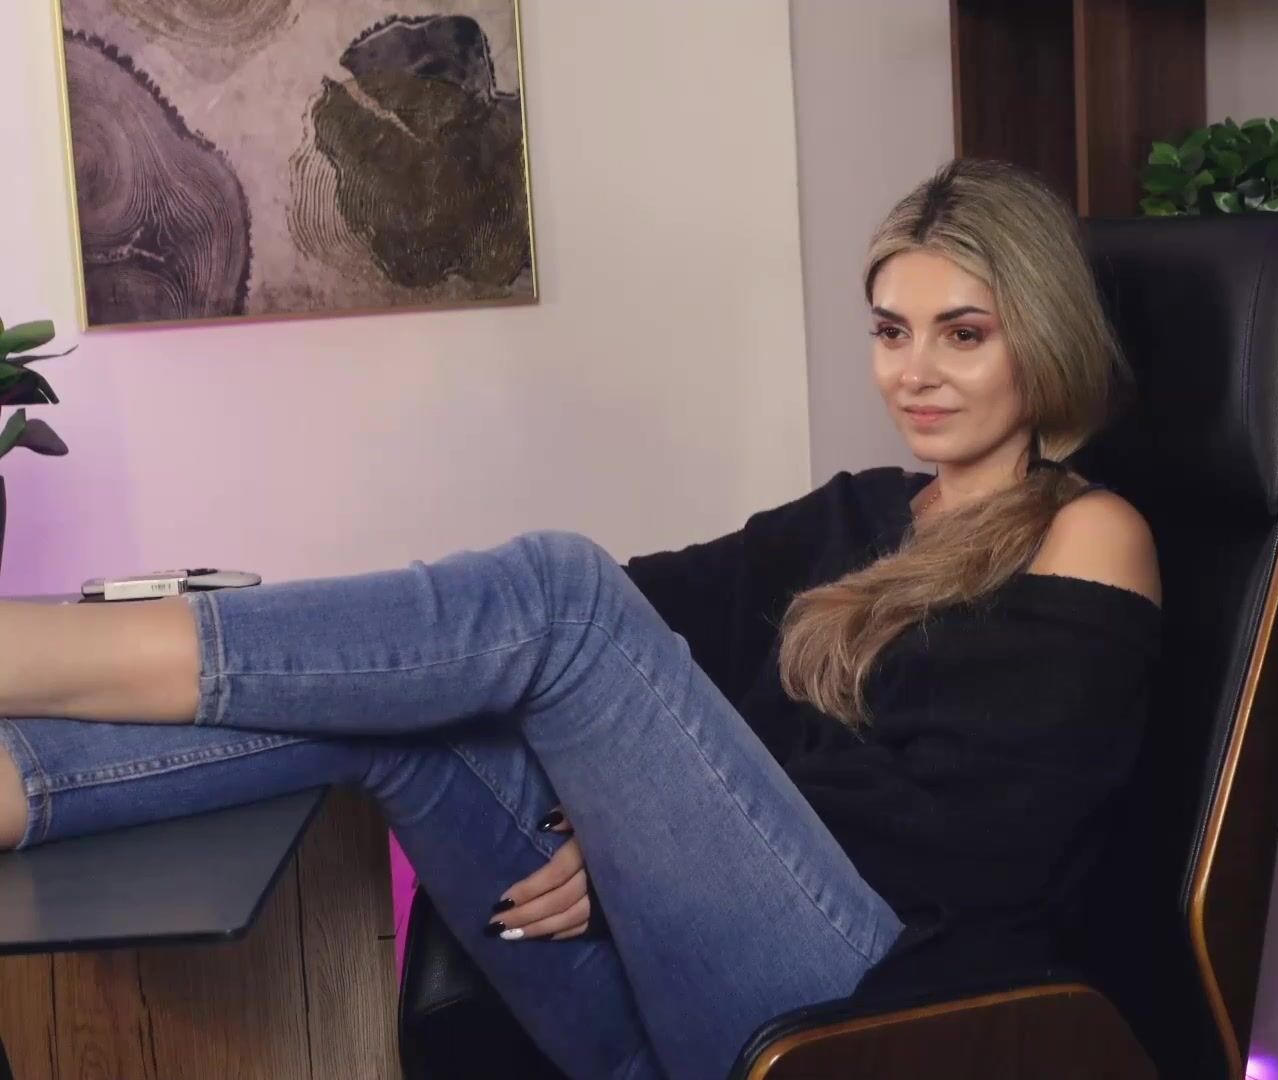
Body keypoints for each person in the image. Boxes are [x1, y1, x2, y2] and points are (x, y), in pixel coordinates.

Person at [0, 159, 1161, 1080]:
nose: (914, 372)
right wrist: (625, 817)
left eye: (964, 333)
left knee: (561, 592)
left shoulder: (1090, 531)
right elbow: (618, 613)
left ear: (1044, 336)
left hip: (872, 1013)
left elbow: (975, 850)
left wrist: (637, 852)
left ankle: (35, 645)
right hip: (687, 999)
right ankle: (20, 781)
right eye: (891, 331)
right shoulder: (861, 513)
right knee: (426, 717)